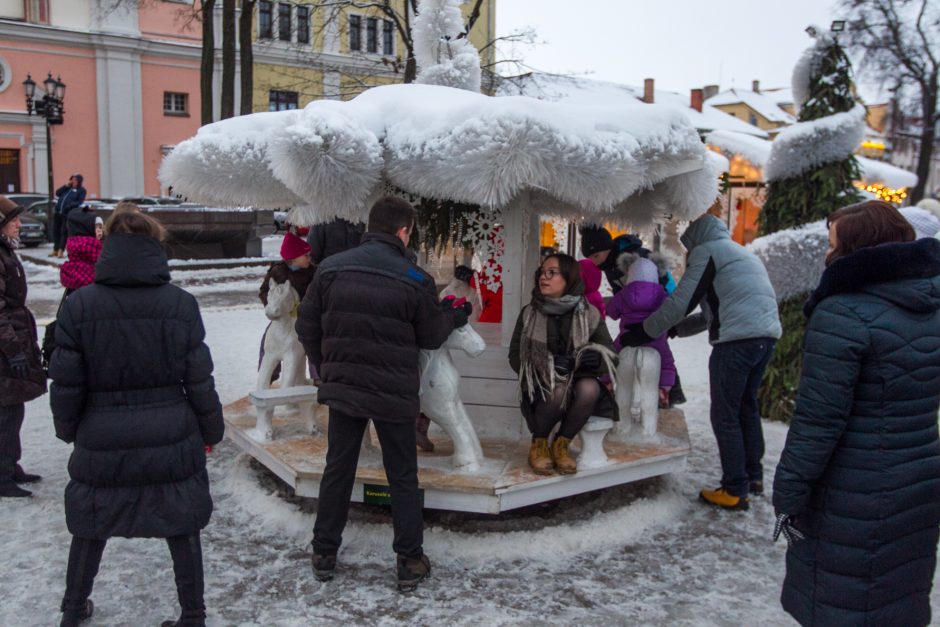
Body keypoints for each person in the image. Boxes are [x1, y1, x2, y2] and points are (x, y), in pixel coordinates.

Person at [49, 210, 224, 627]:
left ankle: (73, 610)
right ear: (154, 245)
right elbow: (200, 379)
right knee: (182, 523)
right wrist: (210, 430)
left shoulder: (79, 306)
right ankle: (193, 614)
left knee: (91, 523)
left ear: (108, 245)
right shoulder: (181, 305)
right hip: (171, 431)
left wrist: (71, 430)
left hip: (101, 433)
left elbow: (66, 384)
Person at [772, 201, 940, 627]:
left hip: (852, 492)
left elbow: (817, 422)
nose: (827, 255)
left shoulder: (843, 312)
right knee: (896, 597)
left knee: (842, 602)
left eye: (832, 245)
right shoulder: (931, 305)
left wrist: (788, 497)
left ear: (857, 251)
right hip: (918, 482)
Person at [295, 197, 468, 592]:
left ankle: (323, 552)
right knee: (402, 476)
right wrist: (454, 317)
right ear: (403, 231)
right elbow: (430, 334)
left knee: (337, 469)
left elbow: (305, 326)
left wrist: (327, 367)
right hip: (393, 394)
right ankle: (409, 560)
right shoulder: (415, 278)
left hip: (345, 390)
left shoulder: (331, 269)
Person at [620, 212, 781, 511]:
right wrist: (675, 329)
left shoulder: (707, 252)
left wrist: (644, 332)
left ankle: (734, 489)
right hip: (764, 338)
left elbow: (682, 300)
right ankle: (752, 476)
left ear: (695, 241)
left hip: (735, 344)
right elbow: (716, 312)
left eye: (686, 248)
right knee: (746, 406)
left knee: (725, 414)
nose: (687, 254)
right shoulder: (739, 254)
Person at [508, 253, 616, 476]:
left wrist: (595, 359)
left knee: (590, 387)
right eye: (541, 272)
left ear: (569, 278)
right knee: (557, 389)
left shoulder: (590, 314)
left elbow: (611, 356)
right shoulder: (529, 313)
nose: (543, 278)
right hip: (542, 384)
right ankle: (539, 444)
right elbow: (514, 356)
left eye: (552, 273)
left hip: (577, 379)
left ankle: (561, 445)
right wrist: (547, 365)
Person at [0, 196, 46, 498]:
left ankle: (9, 465)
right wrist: (12, 348)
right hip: (5, 346)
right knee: (5, 411)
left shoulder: (5, 252)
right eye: (13, 219)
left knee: (12, 409)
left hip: (13, 338)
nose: (19, 223)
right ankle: (2, 475)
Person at [606, 256, 676, 407]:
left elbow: (611, 312)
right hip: (656, 339)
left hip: (626, 338)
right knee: (667, 361)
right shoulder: (662, 294)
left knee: (609, 355)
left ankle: (607, 382)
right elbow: (669, 314)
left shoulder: (624, 294)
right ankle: (664, 388)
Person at [258, 232, 317, 383]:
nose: (309, 258)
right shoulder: (277, 271)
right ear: (293, 258)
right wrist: (271, 305)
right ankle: (268, 374)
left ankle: (317, 375)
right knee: (268, 338)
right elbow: (264, 290)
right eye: (305, 255)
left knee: (313, 340)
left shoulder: (313, 272)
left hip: (305, 316)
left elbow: (318, 293)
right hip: (284, 316)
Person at [59, 209, 103, 295]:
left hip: (75, 294)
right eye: (96, 227)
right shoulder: (93, 246)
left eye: (100, 227)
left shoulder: (73, 243)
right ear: (88, 228)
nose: (99, 231)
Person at [51, 174, 87, 258]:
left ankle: (61, 250)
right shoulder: (67, 188)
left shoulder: (81, 190)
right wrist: (65, 186)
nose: (73, 181)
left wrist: (69, 206)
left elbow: (79, 202)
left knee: (64, 232)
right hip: (58, 212)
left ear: (79, 181)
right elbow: (57, 193)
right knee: (56, 231)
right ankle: (55, 249)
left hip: (67, 213)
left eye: (75, 180)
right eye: (72, 180)